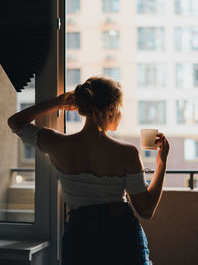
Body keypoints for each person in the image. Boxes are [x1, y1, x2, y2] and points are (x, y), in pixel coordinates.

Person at [8, 76, 170, 265]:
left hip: (79, 235)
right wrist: (161, 164)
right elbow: (146, 210)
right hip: (121, 235)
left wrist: (58, 103)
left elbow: (15, 122)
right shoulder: (126, 153)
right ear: (111, 108)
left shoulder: (57, 144)